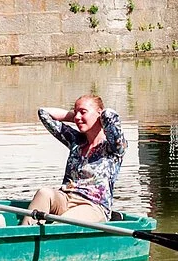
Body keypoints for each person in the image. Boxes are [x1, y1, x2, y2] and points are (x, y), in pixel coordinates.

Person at [28, 93, 126, 225]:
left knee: (61, 223)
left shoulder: (114, 147)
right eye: (76, 112)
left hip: (92, 205)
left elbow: (109, 115)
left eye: (83, 112)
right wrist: (75, 116)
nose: (78, 117)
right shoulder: (76, 141)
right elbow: (44, 113)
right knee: (44, 193)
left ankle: (49, 239)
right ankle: (23, 237)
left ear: (99, 113)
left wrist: (99, 117)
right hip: (66, 198)